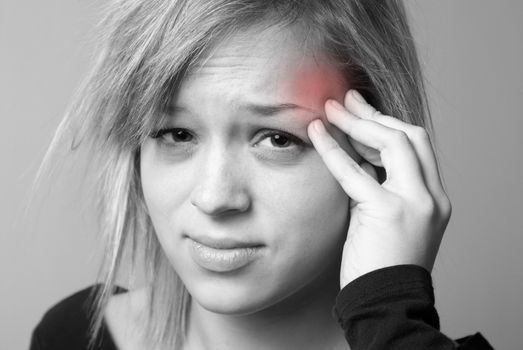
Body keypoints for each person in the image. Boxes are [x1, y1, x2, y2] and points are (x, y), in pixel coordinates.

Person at [29, 0, 494, 349]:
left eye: (277, 139)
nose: (214, 198)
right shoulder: (72, 336)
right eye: (176, 133)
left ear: (377, 152)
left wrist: (389, 314)